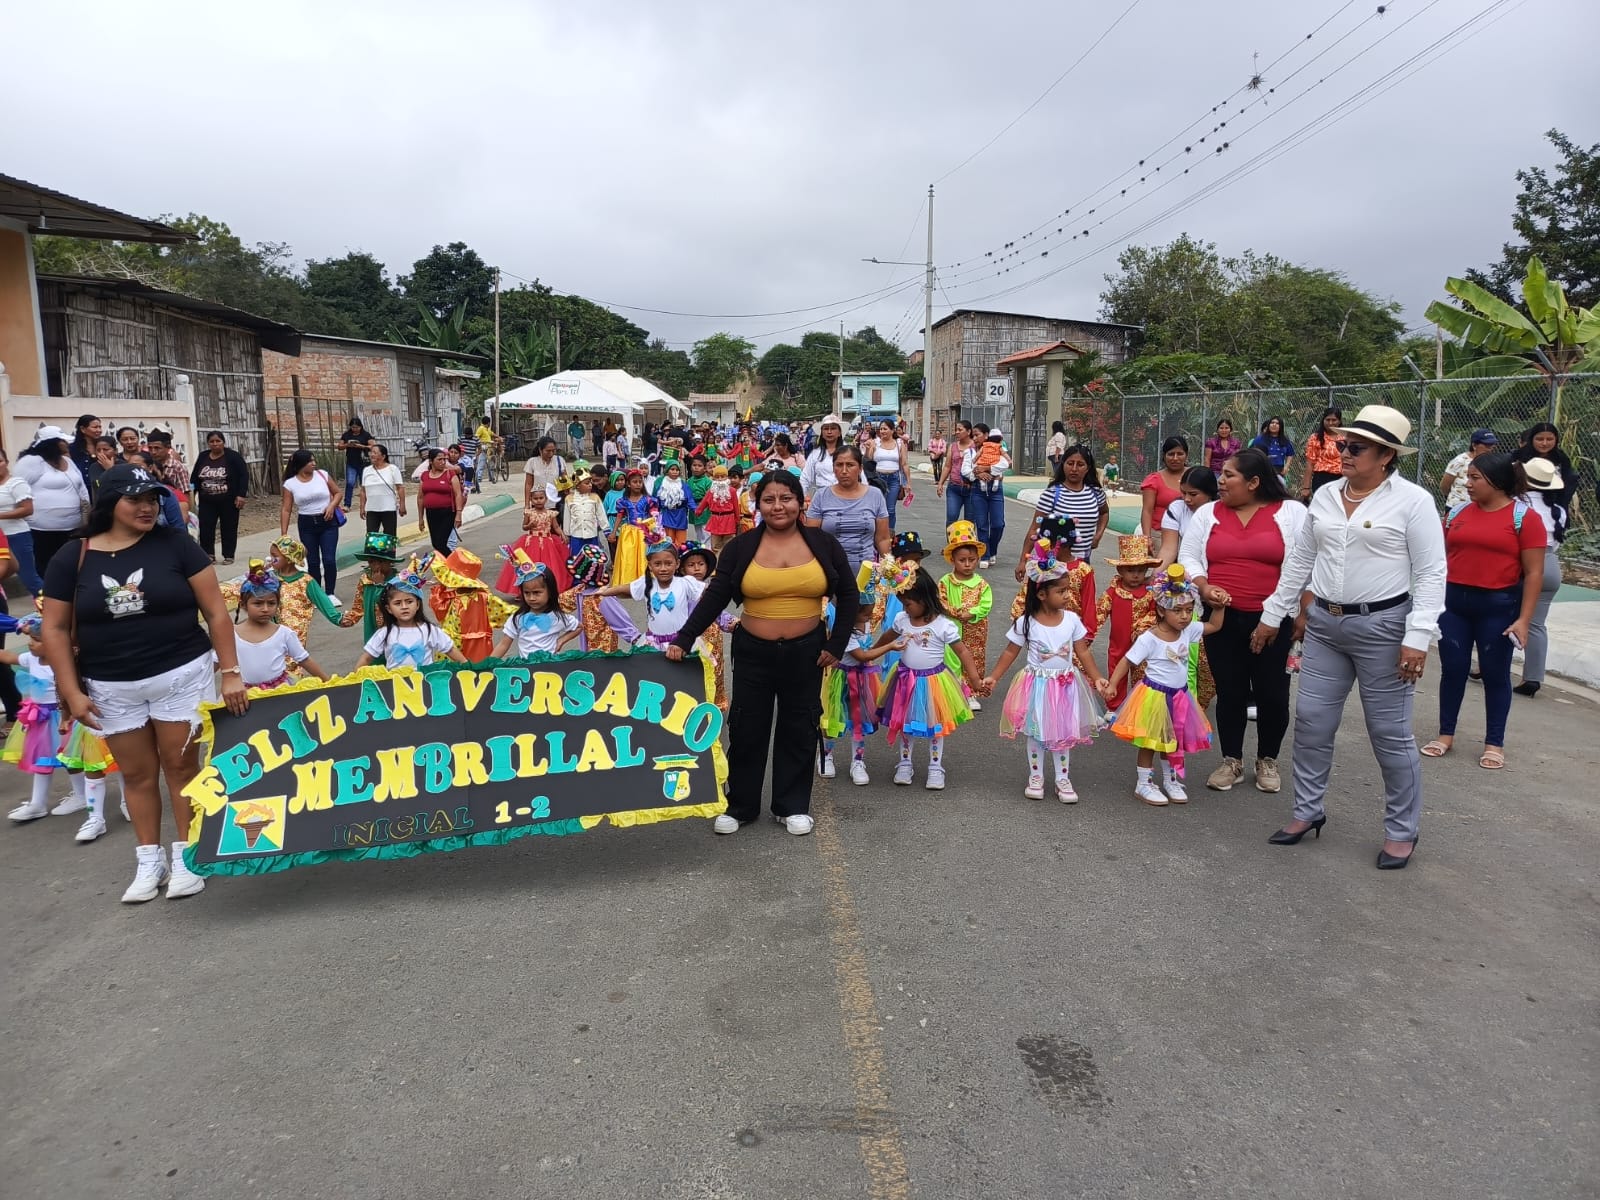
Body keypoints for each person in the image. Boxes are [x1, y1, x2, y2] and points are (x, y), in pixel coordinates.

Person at [40, 462, 247, 902]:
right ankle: (149, 859)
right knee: (135, 775)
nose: (147, 508)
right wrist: (72, 692)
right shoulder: (72, 556)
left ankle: (189, 854)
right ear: (109, 503)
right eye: (135, 500)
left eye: (153, 499)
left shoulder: (176, 544)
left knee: (181, 767)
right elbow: (54, 628)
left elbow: (215, 611)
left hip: (181, 674)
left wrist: (231, 672)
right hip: (110, 686)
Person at [1256, 405, 1446, 870]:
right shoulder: (1324, 496)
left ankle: (1401, 830)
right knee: (1312, 722)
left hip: (1385, 629)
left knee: (1390, 734)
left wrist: (1418, 636)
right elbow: (1301, 560)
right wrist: (1273, 614)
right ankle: (1307, 810)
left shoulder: (1412, 501)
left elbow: (1431, 571)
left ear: (1386, 455)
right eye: (1342, 444)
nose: (1343, 451)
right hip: (1324, 624)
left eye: (1355, 447)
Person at [667, 469, 860, 837]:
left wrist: (836, 645)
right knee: (746, 726)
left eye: (786, 498)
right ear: (758, 504)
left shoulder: (823, 544)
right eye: (769, 499)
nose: (778, 506)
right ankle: (740, 805)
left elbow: (849, 594)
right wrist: (684, 637)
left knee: (799, 726)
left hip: (807, 652)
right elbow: (716, 595)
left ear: (800, 502)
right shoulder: (741, 547)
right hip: (753, 651)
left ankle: (792, 806)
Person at [1179, 447, 1308, 794]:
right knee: (1230, 690)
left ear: (1253, 482)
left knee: (1273, 694)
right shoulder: (1208, 513)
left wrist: (1297, 613)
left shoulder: (1292, 513)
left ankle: (1268, 759)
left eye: (1229, 475)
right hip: (1222, 620)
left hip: (1274, 621)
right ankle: (1231, 760)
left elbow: (1305, 565)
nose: (1220, 481)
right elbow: (1189, 555)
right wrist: (1203, 586)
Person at [1421, 452, 1546, 770]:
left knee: (1494, 673)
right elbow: (1439, 559)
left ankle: (1494, 743)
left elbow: (1534, 573)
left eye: (1475, 478)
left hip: (1498, 608)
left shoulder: (1524, 518)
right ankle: (1445, 735)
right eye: (1468, 476)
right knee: (1453, 669)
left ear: (1497, 482)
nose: (1467, 483)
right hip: (1454, 606)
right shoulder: (1458, 512)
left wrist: (1524, 620)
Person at [982, 531, 1108, 803]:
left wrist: (1097, 677)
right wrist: (993, 676)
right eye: (1061, 591)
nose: (1067, 595)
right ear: (1041, 594)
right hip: (1037, 685)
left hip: (1065, 684)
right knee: (1037, 732)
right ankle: (1036, 776)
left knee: (1063, 733)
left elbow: (1083, 651)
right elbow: (1010, 651)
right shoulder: (1026, 622)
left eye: (1068, 590)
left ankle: (1062, 778)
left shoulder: (1072, 620)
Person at [1104, 565, 1225, 806]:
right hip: (1154, 697)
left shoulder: (1188, 631)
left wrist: (1220, 608)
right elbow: (1127, 660)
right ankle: (1144, 783)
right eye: (1177, 610)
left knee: (1173, 740)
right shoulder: (1150, 638)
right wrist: (1113, 685)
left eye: (1189, 610)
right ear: (1161, 609)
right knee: (1150, 742)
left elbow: (1214, 626)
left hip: (1180, 697)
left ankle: (1171, 780)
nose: (1184, 616)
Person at [869, 565, 985, 789]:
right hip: (905, 679)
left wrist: (975, 679)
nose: (905, 608)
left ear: (924, 598)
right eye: (903, 604)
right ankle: (905, 763)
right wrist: (871, 653)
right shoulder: (902, 619)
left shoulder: (943, 625)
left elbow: (962, 651)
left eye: (908, 604)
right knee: (905, 723)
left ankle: (935, 766)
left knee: (936, 726)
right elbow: (887, 636)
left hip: (934, 683)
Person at [819, 606, 895, 785]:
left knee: (859, 720)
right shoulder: (845, 631)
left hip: (862, 679)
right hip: (842, 679)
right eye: (866, 613)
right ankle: (826, 756)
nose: (870, 616)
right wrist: (890, 646)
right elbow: (862, 656)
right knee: (833, 718)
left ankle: (858, 761)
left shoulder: (865, 624)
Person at [1515, 458, 1569, 698]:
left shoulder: (1516, 504)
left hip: (1525, 563)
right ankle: (1533, 677)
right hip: (1550, 565)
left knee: (1503, 615)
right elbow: (1555, 544)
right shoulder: (1558, 511)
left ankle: (1487, 667)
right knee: (1537, 624)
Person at [1015, 444, 1109, 575]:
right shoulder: (1052, 494)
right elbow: (1035, 528)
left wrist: (1098, 536)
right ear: (1063, 464)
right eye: (1070, 463)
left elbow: (1104, 512)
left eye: (1080, 464)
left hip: (1083, 562)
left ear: (1087, 468)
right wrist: (1022, 561)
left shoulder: (1095, 493)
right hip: (1054, 564)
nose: (1074, 469)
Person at [232, 564, 330, 690]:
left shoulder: (284, 633)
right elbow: (216, 662)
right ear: (243, 605)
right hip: (243, 694)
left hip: (280, 692)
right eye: (258, 603)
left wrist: (329, 683)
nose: (265, 609)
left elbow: (304, 660)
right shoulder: (232, 634)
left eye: (271, 603)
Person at [354, 564, 467, 670]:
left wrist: (468, 668)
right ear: (389, 609)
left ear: (417, 604)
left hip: (425, 682)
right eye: (398, 603)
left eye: (409, 602)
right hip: (396, 682)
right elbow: (366, 658)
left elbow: (450, 650)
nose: (404, 607)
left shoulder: (429, 630)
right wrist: (353, 680)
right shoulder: (385, 633)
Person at [16, 426, 90, 575]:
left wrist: (87, 511)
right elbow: (18, 487)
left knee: (72, 564)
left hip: (73, 528)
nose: (67, 444)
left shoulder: (67, 461)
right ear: (51, 443)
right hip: (43, 531)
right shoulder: (31, 462)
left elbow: (81, 487)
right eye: (63, 441)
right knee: (47, 566)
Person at [1098, 535, 1161, 709]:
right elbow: (1098, 613)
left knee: (1142, 675)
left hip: (1143, 642)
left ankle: (1138, 707)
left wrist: (1142, 627)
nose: (1136, 575)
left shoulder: (1150, 593)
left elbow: (1155, 613)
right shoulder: (1113, 592)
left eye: (1141, 571)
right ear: (1121, 570)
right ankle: (1114, 706)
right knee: (1116, 673)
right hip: (1118, 644)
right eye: (1131, 571)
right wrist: (1086, 635)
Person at [938, 521, 993, 710]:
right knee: (951, 659)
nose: (968, 564)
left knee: (974, 659)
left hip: (975, 631)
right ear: (953, 560)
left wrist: (972, 613)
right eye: (962, 560)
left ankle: (971, 693)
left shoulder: (981, 584)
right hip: (952, 629)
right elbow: (940, 601)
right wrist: (954, 612)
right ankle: (953, 691)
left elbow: (986, 604)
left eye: (972, 559)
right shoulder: (946, 581)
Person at [279, 450, 343, 603]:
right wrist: (284, 533)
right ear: (301, 464)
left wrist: (331, 506)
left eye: (314, 460)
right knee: (312, 561)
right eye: (310, 461)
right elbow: (286, 509)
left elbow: (338, 493)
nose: (314, 463)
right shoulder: (290, 484)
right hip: (307, 524)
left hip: (327, 522)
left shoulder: (322, 475)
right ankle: (316, 594)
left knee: (329, 559)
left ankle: (330, 593)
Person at [489, 556, 581, 659]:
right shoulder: (518, 618)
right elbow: (503, 644)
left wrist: (561, 640)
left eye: (537, 592)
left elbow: (578, 627)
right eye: (527, 593)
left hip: (551, 665)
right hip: (526, 666)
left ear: (550, 591)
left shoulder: (557, 617)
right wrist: (488, 664)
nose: (531, 598)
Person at [560, 545, 639, 653]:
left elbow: (620, 619)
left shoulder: (604, 597)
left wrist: (637, 640)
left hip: (604, 653)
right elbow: (562, 602)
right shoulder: (580, 590)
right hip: (587, 650)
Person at [189, 430, 250, 564]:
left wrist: (241, 495)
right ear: (208, 443)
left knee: (229, 527)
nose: (215, 444)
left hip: (229, 500)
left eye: (218, 441)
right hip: (207, 500)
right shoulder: (203, 456)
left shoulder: (233, 457)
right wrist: (192, 494)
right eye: (212, 441)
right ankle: (208, 554)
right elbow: (195, 477)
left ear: (223, 442)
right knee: (206, 527)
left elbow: (243, 475)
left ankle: (228, 555)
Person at [495, 488, 570, 595]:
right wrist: (529, 525)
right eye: (535, 498)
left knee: (549, 565)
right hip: (531, 542)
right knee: (528, 565)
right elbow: (524, 527)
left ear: (546, 499)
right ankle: (524, 589)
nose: (538, 500)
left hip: (547, 543)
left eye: (541, 498)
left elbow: (556, 527)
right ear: (531, 499)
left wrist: (562, 534)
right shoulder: (529, 513)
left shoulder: (551, 513)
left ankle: (548, 588)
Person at [338, 532, 401, 642]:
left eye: (381, 562)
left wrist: (380, 585)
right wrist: (351, 618)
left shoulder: (398, 581)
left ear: (390, 562)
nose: (376, 566)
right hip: (371, 631)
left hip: (393, 632)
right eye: (372, 562)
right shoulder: (365, 580)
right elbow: (358, 605)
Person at [1156, 466, 1218, 569]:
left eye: (1193, 494)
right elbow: (1168, 549)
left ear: (1209, 493)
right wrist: (1155, 575)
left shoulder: (1223, 512)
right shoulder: (1176, 508)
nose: (1187, 499)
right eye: (1183, 493)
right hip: (1189, 569)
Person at [0, 447, 42, 595]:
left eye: (0, 461)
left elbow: (27, 509)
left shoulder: (16, 483)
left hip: (16, 535)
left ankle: (50, 606)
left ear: (6, 462)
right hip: (1, 538)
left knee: (29, 578)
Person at [1510, 422, 1577, 512]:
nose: (1544, 443)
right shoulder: (1519, 456)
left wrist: (1558, 506)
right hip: (1521, 502)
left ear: (1556, 440)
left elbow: (1567, 484)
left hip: (1553, 505)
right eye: (1539, 439)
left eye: (1549, 439)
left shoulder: (1561, 458)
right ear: (1532, 439)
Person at [610, 470, 658, 587]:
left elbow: (654, 515)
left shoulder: (648, 499)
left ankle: (644, 582)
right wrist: (613, 532)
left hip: (643, 532)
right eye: (634, 482)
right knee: (628, 556)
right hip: (629, 532)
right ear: (628, 484)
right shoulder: (624, 501)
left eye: (640, 482)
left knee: (643, 556)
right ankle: (628, 582)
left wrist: (656, 530)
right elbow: (619, 516)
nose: (638, 484)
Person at [417, 447, 465, 556]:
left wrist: (458, 514)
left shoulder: (450, 474)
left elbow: (458, 495)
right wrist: (420, 518)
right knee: (435, 543)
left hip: (447, 513)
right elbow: (420, 497)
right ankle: (447, 563)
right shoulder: (425, 476)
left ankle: (454, 562)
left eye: (444, 459)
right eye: (439, 459)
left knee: (440, 543)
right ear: (431, 461)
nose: (443, 462)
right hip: (431, 513)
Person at [1140, 436, 1189, 535]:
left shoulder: (1196, 476)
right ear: (1164, 456)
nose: (1175, 458)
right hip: (1159, 535)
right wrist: (1147, 538)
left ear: (1186, 455)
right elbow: (1147, 511)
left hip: (1191, 536)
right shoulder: (1153, 480)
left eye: (1180, 454)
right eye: (1171, 454)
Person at [1439, 429, 1498, 508]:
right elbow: (1444, 486)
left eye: (1492, 444)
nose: (1490, 448)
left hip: (1480, 508)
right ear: (1474, 445)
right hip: (1456, 507)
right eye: (1486, 445)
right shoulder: (1460, 461)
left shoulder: (1491, 462)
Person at [358, 442, 407, 537]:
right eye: (371, 452)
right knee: (371, 536)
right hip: (372, 509)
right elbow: (363, 491)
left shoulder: (392, 469)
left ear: (383, 456)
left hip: (388, 508)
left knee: (389, 536)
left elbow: (400, 488)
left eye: (375, 453)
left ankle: (389, 548)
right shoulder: (367, 470)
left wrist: (402, 504)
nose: (372, 455)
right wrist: (362, 507)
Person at [870, 420, 910, 529]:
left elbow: (904, 464)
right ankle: (877, 532)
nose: (882, 431)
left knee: (890, 509)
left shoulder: (899, 444)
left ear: (892, 430)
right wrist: (870, 448)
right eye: (881, 429)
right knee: (878, 508)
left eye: (885, 429)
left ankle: (890, 533)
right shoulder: (875, 443)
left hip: (894, 479)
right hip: (878, 479)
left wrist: (908, 483)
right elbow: (868, 460)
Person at [144, 429, 190, 522]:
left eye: (157, 448)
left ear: (168, 448)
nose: (153, 452)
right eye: (150, 448)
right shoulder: (147, 466)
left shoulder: (177, 467)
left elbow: (185, 495)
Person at [799, 414, 847, 498]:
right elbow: (805, 478)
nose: (829, 432)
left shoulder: (849, 452)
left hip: (845, 496)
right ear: (822, 433)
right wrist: (800, 498)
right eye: (826, 429)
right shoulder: (815, 454)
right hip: (822, 497)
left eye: (833, 428)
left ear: (839, 432)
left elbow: (860, 477)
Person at [1300, 407, 1344, 499]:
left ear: (1339, 421)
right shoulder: (1315, 438)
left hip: (1342, 478)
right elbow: (1310, 463)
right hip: (1322, 478)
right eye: (1327, 420)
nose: (1330, 423)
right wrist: (1306, 487)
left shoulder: (1346, 438)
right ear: (1323, 420)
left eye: (1334, 420)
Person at [562, 471, 607, 558]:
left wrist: (606, 530)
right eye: (587, 483)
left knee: (593, 560)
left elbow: (601, 515)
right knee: (577, 559)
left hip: (592, 536)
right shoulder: (569, 499)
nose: (590, 485)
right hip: (576, 536)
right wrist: (566, 534)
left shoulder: (595, 497)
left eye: (590, 482)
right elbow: (567, 518)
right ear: (578, 485)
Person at [651, 460, 691, 545]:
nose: (675, 472)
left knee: (681, 543)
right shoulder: (661, 484)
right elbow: (655, 500)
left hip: (680, 516)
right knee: (668, 542)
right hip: (667, 515)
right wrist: (654, 513)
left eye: (677, 470)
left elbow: (689, 499)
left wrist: (697, 510)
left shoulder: (683, 484)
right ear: (667, 470)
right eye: (672, 469)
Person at [522, 437, 567, 508]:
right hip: (537, 503)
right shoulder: (532, 462)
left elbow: (565, 482)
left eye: (553, 451)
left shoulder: (560, 460)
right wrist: (527, 504)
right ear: (540, 450)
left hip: (556, 503)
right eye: (548, 451)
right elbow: (528, 484)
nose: (551, 453)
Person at [336, 418, 372, 508]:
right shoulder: (346, 435)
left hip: (364, 463)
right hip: (351, 463)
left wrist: (361, 446)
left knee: (364, 484)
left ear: (360, 426)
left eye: (357, 427)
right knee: (350, 483)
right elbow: (339, 446)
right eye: (353, 427)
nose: (355, 429)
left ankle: (367, 504)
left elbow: (373, 446)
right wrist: (347, 445)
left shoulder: (366, 435)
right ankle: (347, 504)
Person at [1250, 417, 1295, 483]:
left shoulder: (1285, 440)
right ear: (1269, 425)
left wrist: (1286, 466)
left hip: (1279, 470)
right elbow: (1252, 452)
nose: (1274, 425)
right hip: (1263, 469)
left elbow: (1290, 454)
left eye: (1277, 423)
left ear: (1281, 426)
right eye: (1272, 423)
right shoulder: (1260, 439)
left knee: (1279, 486)